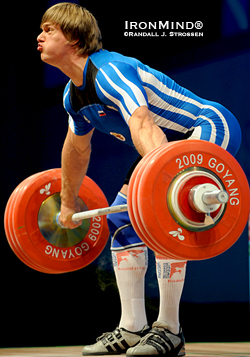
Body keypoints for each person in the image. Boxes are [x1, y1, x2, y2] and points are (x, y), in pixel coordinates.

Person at [37, 3, 242, 357]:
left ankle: (170, 329)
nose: (39, 37)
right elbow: (76, 150)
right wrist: (68, 204)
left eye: (48, 30)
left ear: (72, 37)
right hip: (166, 147)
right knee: (120, 219)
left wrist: (159, 190)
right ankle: (132, 328)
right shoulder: (74, 96)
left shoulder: (111, 71)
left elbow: (143, 124)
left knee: (161, 215)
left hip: (207, 128)